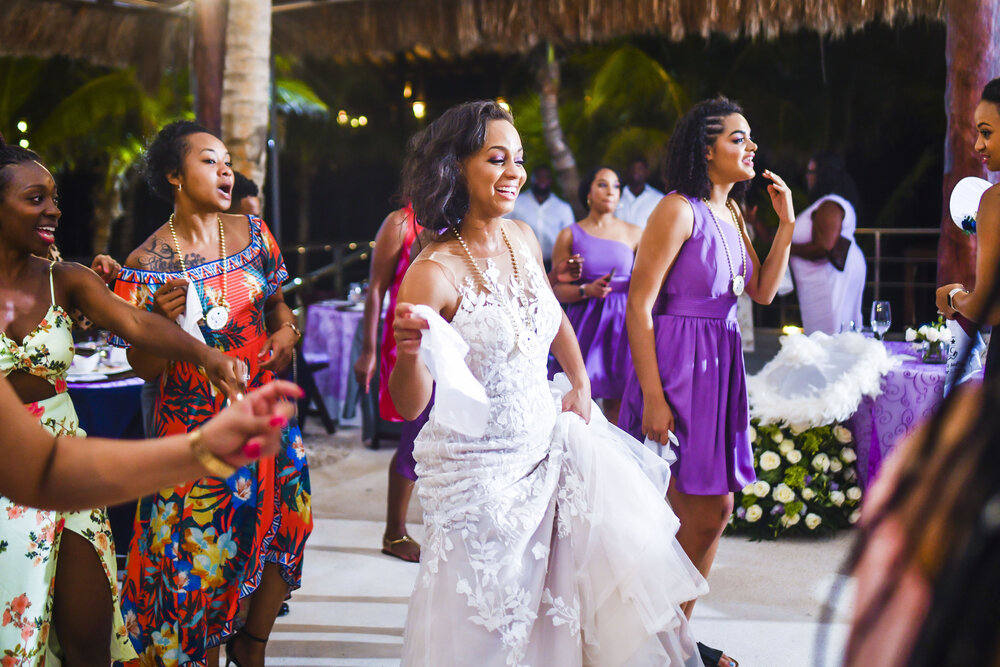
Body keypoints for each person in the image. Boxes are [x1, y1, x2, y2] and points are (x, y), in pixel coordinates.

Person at [389, 100, 707, 666]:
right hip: (479, 477)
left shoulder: (523, 237)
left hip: (550, 444)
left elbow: (553, 316)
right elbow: (409, 402)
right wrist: (410, 354)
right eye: (496, 158)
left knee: (570, 607)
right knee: (490, 623)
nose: (514, 171)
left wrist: (580, 382)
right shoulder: (431, 272)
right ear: (454, 167)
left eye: (518, 159)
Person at [0, 139, 247, 664]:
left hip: (69, 466)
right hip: (4, 473)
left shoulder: (65, 279)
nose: (54, 209)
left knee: (88, 637)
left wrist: (208, 356)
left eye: (55, 197)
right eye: (35, 198)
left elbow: (136, 323)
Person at [112, 121, 312, 666]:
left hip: (266, 413)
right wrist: (156, 319)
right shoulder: (146, 264)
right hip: (195, 427)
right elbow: (144, 365)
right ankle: (201, 654)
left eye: (227, 161)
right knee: (202, 558)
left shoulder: (253, 233)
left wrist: (286, 334)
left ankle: (252, 647)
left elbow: (277, 306)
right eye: (209, 160)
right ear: (175, 175)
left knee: (289, 524)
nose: (225, 170)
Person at [619, 97, 796, 667]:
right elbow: (639, 305)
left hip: (719, 367)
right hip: (676, 366)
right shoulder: (677, 210)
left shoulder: (733, 214)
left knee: (710, 512)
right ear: (706, 149)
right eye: (738, 138)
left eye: (751, 138)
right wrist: (651, 394)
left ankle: (672, 642)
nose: (751, 147)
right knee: (686, 513)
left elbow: (764, 291)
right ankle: (661, 644)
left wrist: (787, 223)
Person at [353, 203, 427, 562]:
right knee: (415, 432)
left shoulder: (464, 216)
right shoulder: (400, 222)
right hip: (409, 339)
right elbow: (377, 289)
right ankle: (394, 532)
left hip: (450, 339)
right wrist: (368, 350)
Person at [549, 165, 641, 425]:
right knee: (576, 400)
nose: (610, 191)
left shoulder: (636, 234)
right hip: (583, 322)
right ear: (588, 192)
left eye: (616, 185)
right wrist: (586, 290)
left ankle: (619, 461)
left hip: (622, 324)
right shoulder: (569, 234)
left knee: (619, 401)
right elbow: (554, 290)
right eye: (602, 184)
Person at [937, 77, 1000, 377]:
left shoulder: (994, 201)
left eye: (986, 133)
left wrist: (954, 298)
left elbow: (990, 306)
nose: (977, 145)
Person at [787, 152, 865, 334]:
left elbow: (824, 247)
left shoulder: (829, 204)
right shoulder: (825, 203)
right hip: (822, 279)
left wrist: (787, 248)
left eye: (811, 171)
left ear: (824, 174)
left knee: (829, 335)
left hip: (828, 279)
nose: (807, 176)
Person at [507, 164, 575, 264]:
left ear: (551, 180)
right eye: (539, 177)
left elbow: (570, 240)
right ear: (532, 179)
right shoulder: (515, 203)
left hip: (553, 264)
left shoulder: (563, 208)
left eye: (546, 177)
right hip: (520, 262)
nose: (542, 180)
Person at [616, 156, 665, 228]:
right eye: (632, 168)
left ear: (647, 172)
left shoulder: (659, 199)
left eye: (640, 169)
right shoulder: (616, 196)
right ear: (627, 171)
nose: (635, 171)